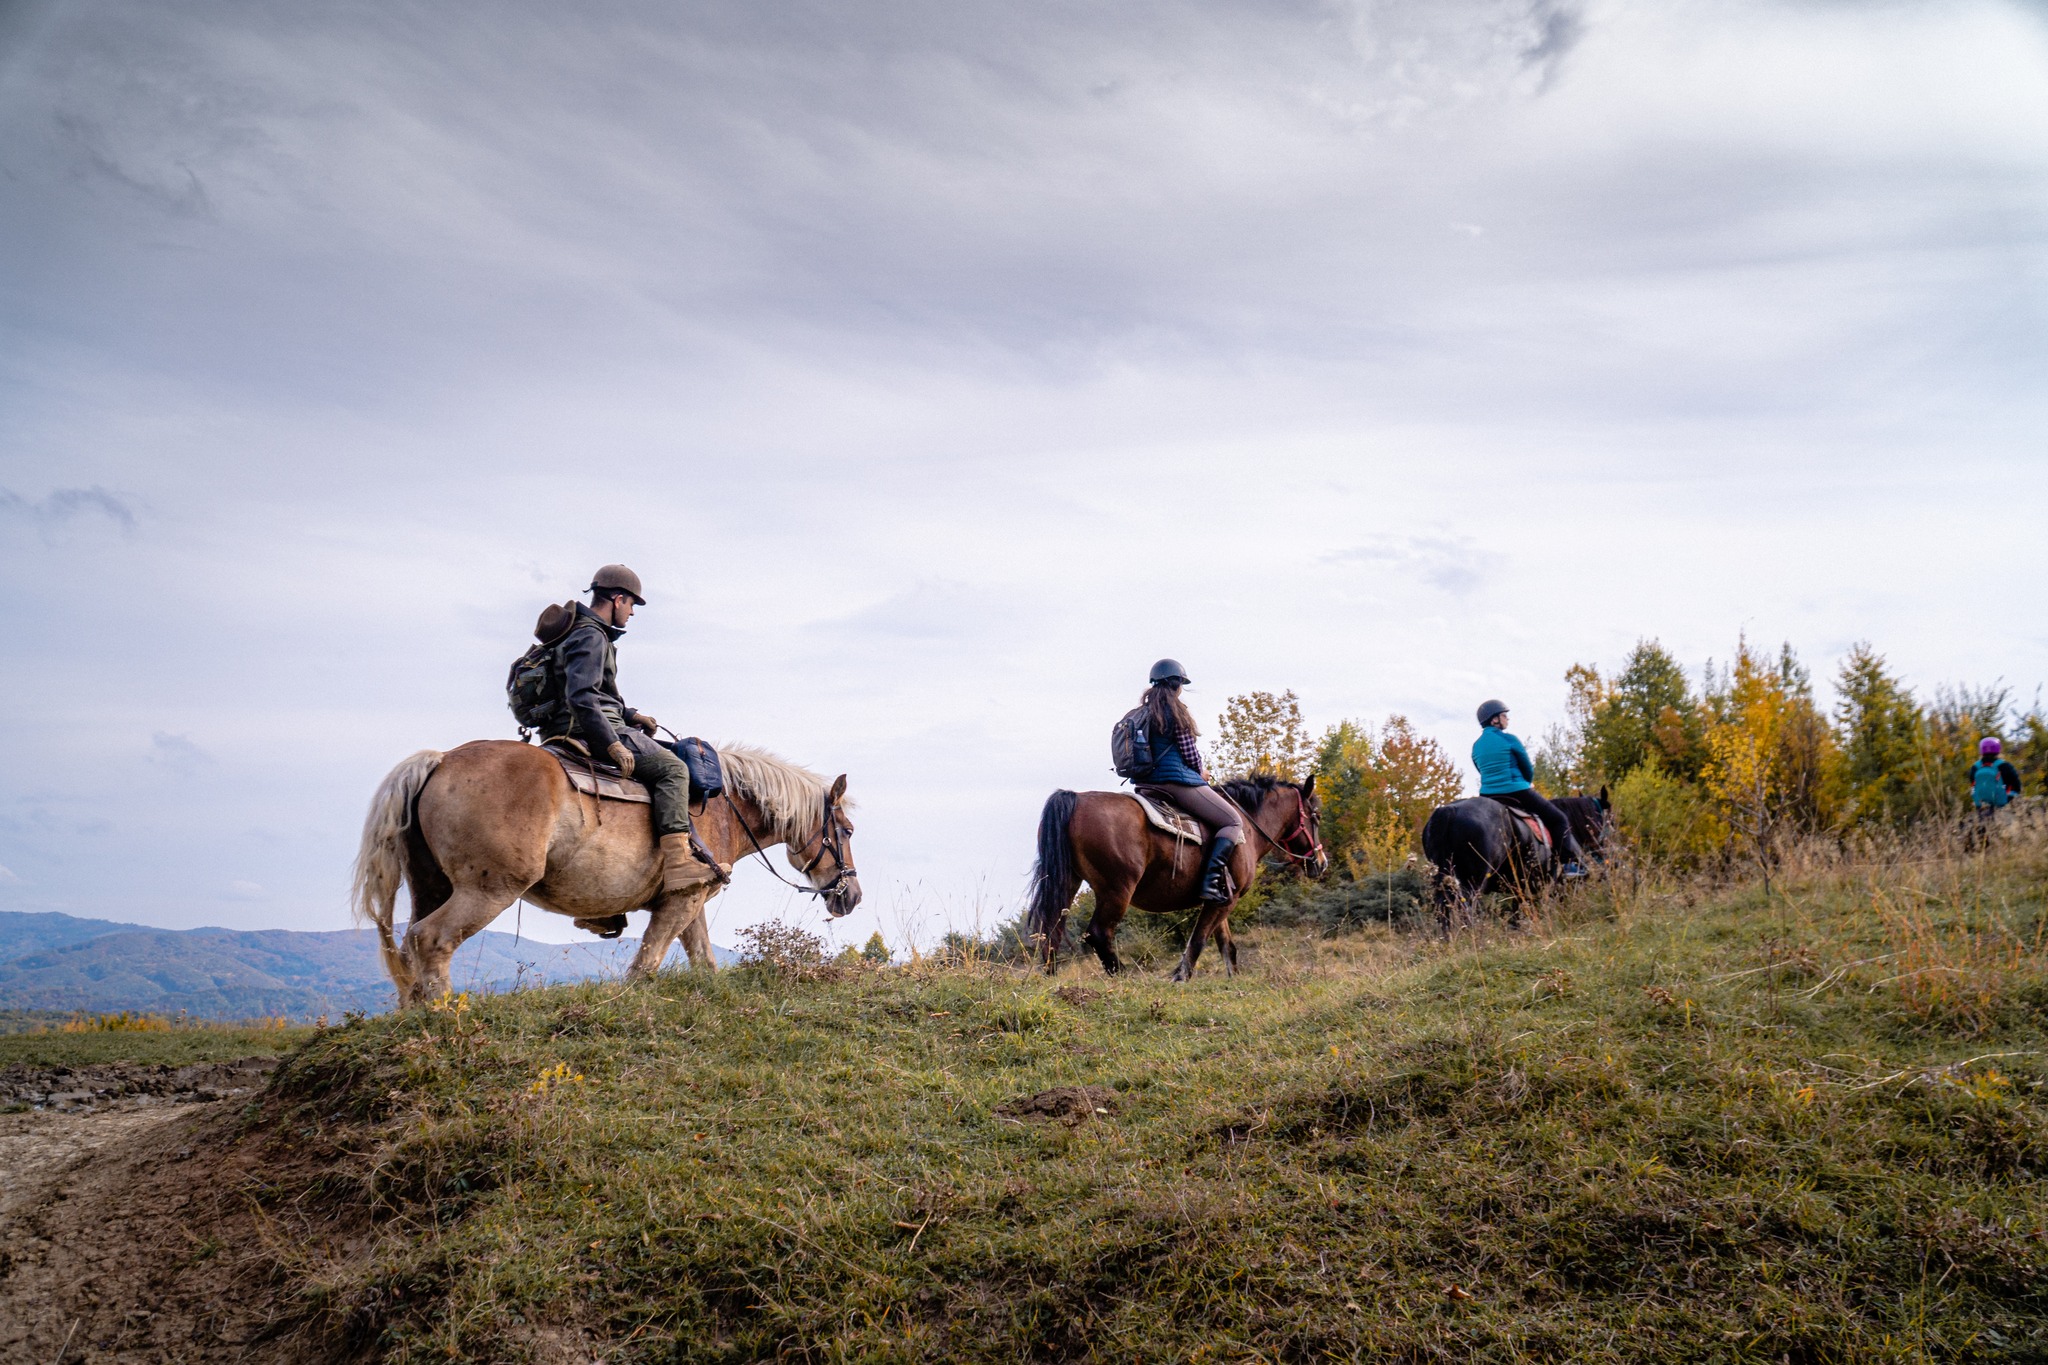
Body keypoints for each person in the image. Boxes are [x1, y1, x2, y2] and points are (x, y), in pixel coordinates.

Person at [548, 565, 720, 894]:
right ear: (617, 598)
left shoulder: (580, 631)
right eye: (631, 605)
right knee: (675, 770)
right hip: (590, 728)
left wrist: (631, 715)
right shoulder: (592, 636)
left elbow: (588, 689)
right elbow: (581, 696)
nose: (631, 613)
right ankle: (679, 864)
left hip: (580, 722)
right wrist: (611, 742)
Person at [1131, 659, 1244, 906]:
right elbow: (1189, 752)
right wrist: (1201, 772)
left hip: (1145, 784)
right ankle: (1210, 883)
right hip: (1175, 782)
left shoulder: (1141, 712)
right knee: (1232, 821)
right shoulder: (1175, 710)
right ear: (1178, 683)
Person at [1472, 699, 1588, 877]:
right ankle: (1569, 865)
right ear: (1494, 720)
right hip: (1517, 792)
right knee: (1559, 819)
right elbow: (1527, 768)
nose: (1507, 719)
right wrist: (1527, 782)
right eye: (1504, 716)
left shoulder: (1476, 746)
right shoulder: (1509, 739)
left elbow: (1480, 769)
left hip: (1488, 796)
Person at [1971, 738, 2021, 816]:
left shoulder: (1975, 767)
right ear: (1998, 749)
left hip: (1981, 808)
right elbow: (2017, 787)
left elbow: (1973, 785)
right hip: (2002, 808)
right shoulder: (2005, 766)